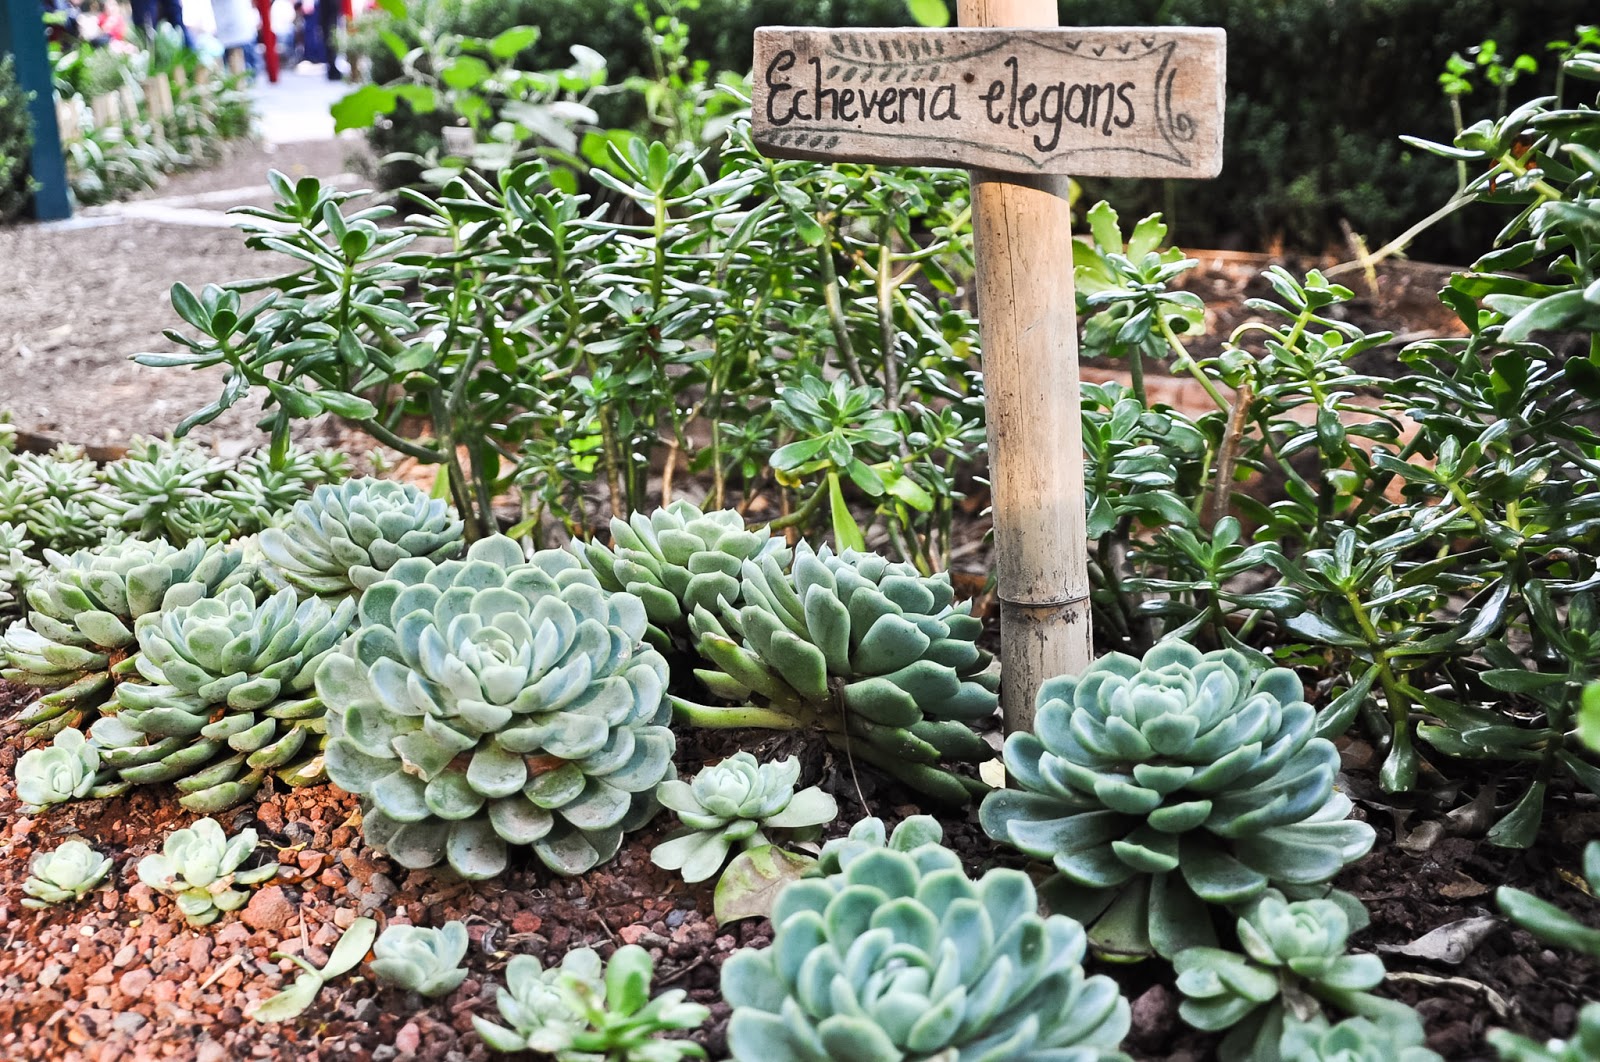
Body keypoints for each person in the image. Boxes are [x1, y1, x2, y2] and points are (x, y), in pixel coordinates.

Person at [211, 0, 259, 75]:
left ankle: (239, 79)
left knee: (237, 52)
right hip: (227, 20)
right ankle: (238, 79)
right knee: (234, 53)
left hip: (235, 19)